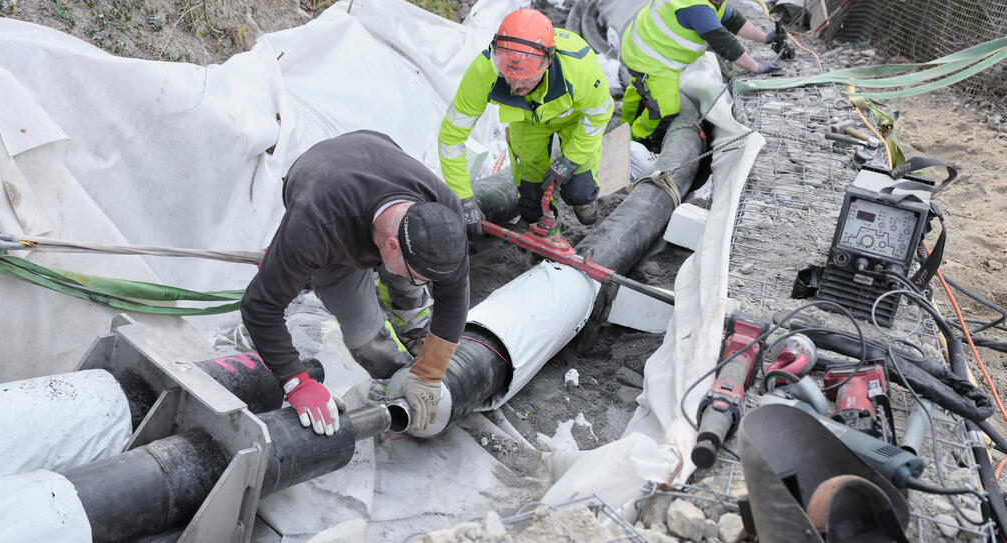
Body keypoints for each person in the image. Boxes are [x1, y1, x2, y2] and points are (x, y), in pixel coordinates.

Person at [241, 130, 469, 436]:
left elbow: (454, 294)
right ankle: (392, 376)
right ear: (389, 246)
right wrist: (296, 382)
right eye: (420, 276)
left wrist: (430, 373)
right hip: (323, 189)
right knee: (362, 330)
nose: (426, 283)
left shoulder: (442, 212)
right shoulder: (316, 226)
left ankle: (413, 328)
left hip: (373, 151)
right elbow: (260, 307)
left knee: (408, 280)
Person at [438, 8, 613, 235]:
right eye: (507, 75)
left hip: (573, 119)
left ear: (547, 63)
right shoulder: (484, 72)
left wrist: (570, 160)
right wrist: (462, 197)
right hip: (526, 120)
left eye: (525, 79)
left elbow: (599, 115)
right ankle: (546, 235)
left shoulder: (579, 69)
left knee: (579, 191)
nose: (514, 86)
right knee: (530, 198)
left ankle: (584, 198)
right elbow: (451, 136)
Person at [621, 0, 785, 151]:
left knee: (640, 90)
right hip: (648, 60)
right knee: (665, 110)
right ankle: (640, 139)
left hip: (653, 52)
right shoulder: (697, 8)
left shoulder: (712, 2)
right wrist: (756, 67)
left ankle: (625, 125)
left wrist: (764, 38)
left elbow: (734, 20)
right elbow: (727, 45)